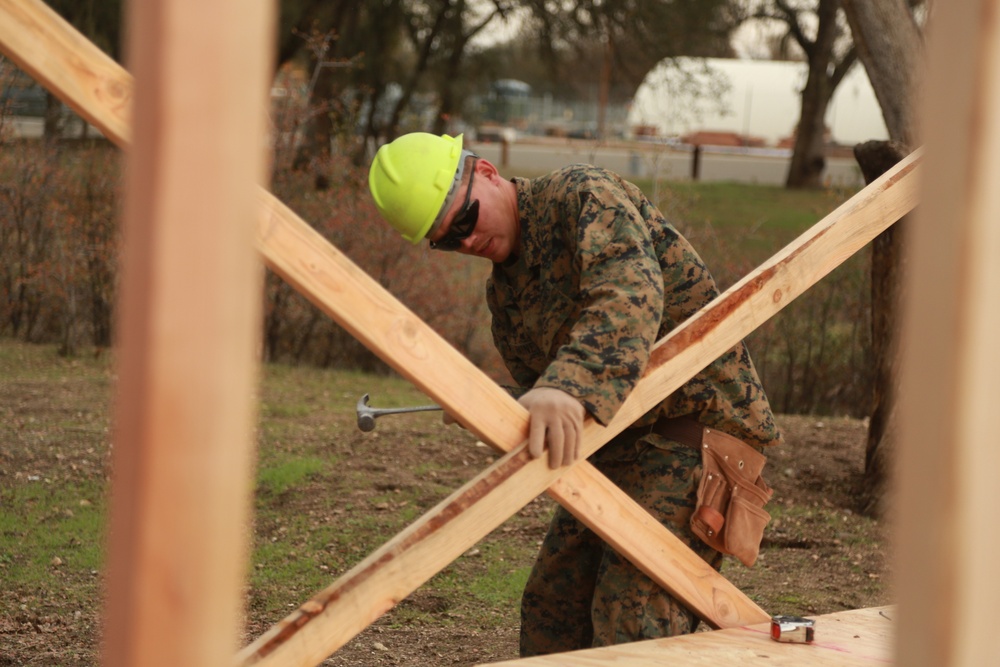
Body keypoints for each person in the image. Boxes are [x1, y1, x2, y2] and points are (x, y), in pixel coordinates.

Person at [367, 132, 782, 656]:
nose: (466, 242)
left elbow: (629, 293)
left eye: (465, 220)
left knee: (632, 618)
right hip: (617, 447)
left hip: (693, 436)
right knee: (551, 611)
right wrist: (494, 404)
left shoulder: (580, 195)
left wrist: (566, 387)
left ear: (488, 173)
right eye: (447, 240)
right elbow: (551, 397)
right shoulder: (506, 295)